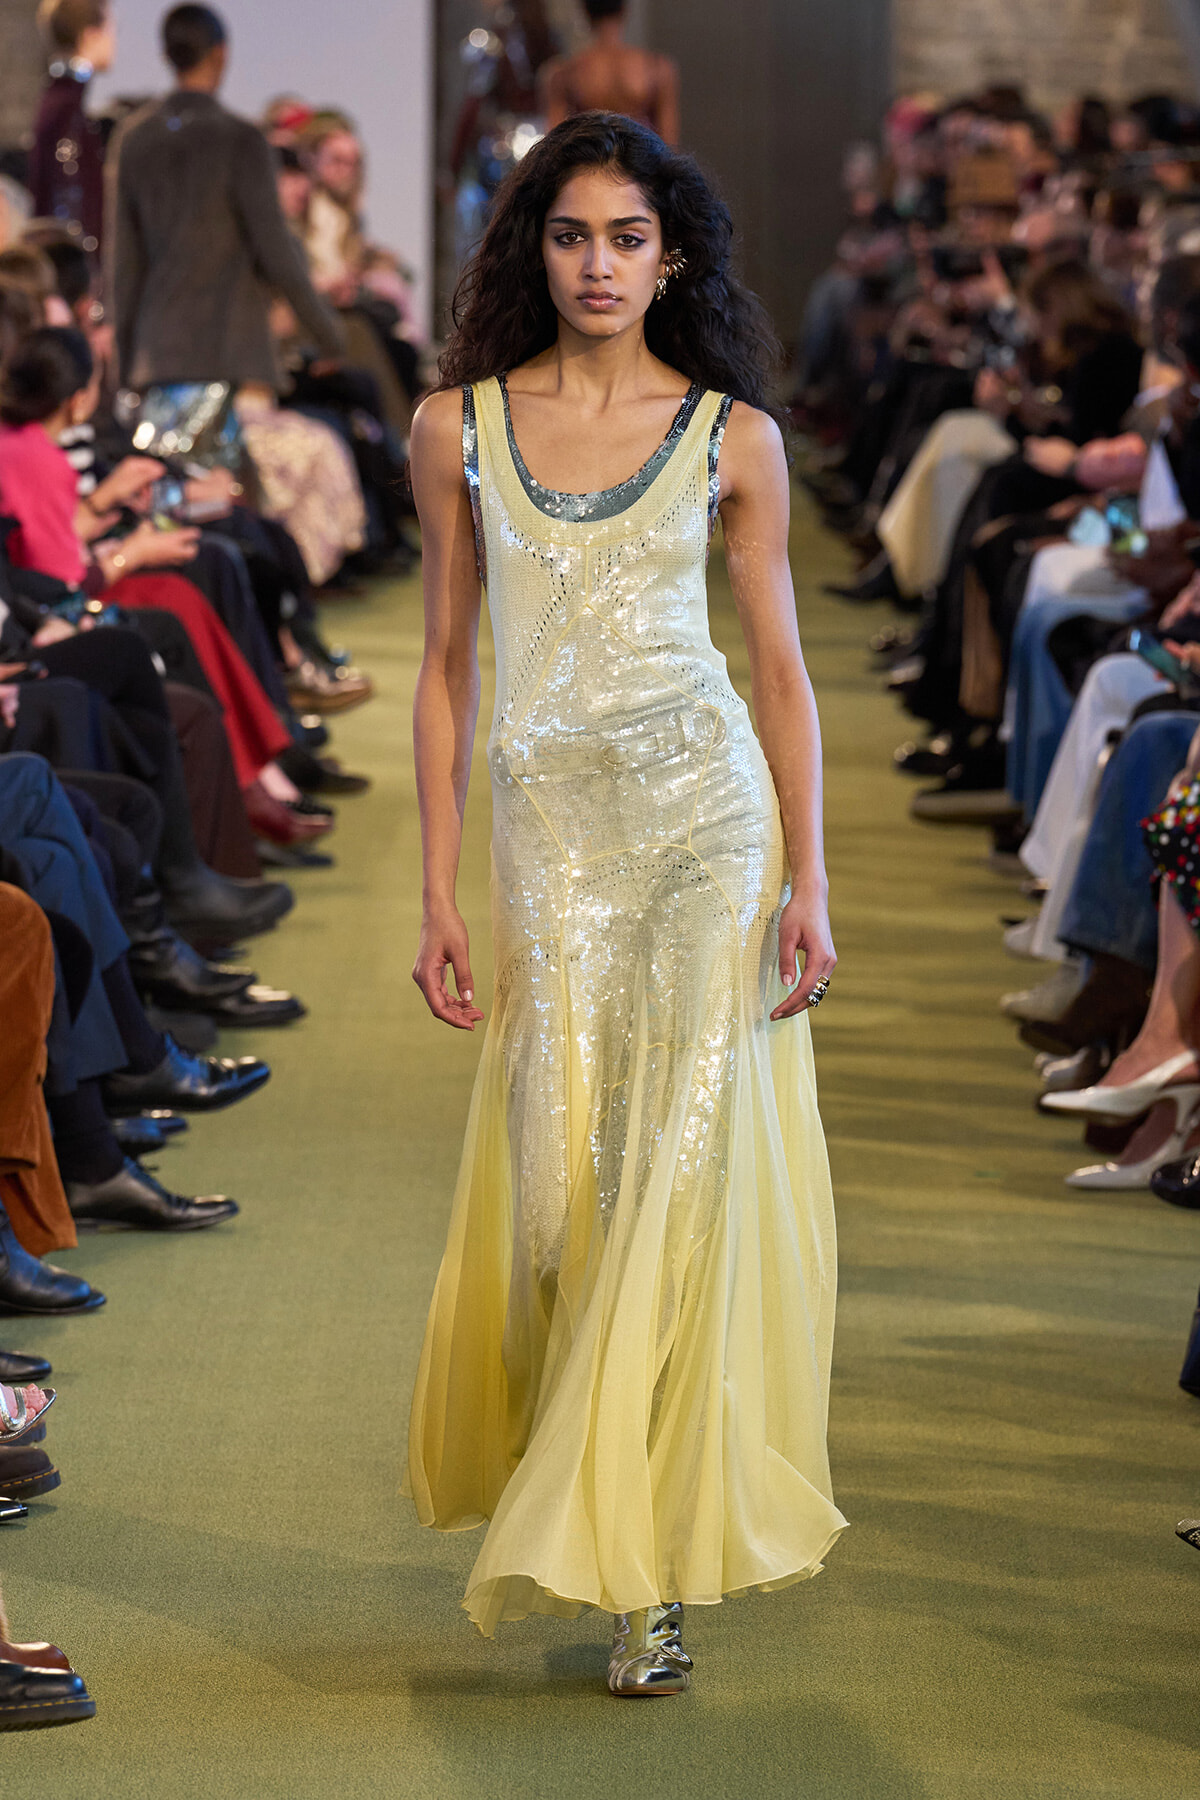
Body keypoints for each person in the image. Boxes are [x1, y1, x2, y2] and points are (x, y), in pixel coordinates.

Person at [405, 113, 845, 1693]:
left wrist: (810, 875)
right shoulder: (453, 425)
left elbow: (781, 673)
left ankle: (644, 1571)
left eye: (629, 238)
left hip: (703, 831)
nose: (599, 265)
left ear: (675, 257)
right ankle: (594, 1512)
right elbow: (447, 669)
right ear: (535, 246)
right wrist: (441, 891)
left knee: (682, 1181)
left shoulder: (733, 436)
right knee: (556, 1195)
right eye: (573, 234)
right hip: (553, 849)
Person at [107, 3, 343, 396]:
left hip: (159, 355)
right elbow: (275, 249)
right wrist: (328, 335)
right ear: (221, 53)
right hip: (233, 355)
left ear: (167, 56)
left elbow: (125, 264)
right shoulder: (240, 140)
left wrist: (124, 361)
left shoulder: (134, 140)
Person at [28, 0, 115, 254]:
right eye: (111, 30)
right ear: (90, 35)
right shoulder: (67, 111)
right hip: (72, 282)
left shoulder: (58, 102)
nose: (114, 41)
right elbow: (69, 214)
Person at [540, 0, 680, 145]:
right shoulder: (655, 68)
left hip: (591, 162)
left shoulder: (565, 73)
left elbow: (554, 145)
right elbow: (669, 142)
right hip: (641, 163)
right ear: (624, 11)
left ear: (585, 13)